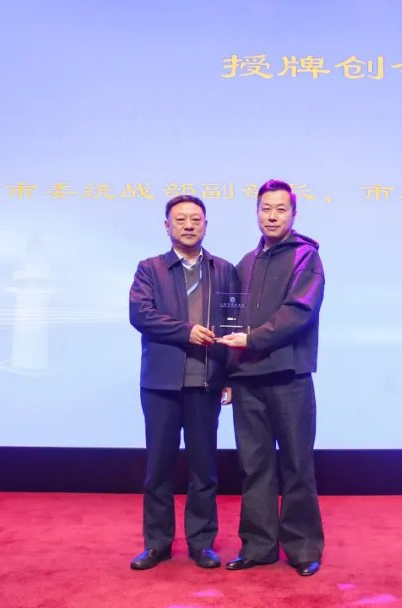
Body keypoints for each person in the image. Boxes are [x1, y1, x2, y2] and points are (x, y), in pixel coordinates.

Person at [216, 179, 325, 577]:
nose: (273, 216)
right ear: (257, 212)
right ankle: (259, 546)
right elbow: (230, 320)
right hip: (247, 378)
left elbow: (298, 313)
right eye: (266, 209)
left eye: (281, 209)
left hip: (289, 377)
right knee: (254, 466)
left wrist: (252, 339)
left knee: (297, 465)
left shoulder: (306, 257)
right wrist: (228, 372)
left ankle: (302, 548)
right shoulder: (245, 263)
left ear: (294, 214)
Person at [128, 194, 239, 571]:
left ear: (206, 225)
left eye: (195, 219)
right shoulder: (150, 269)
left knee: (204, 468)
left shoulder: (224, 270)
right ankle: (157, 544)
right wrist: (185, 331)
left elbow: (233, 326)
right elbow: (141, 315)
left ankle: (202, 542)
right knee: (158, 468)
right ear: (167, 227)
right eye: (180, 219)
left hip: (206, 381)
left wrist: (230, 375)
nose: (189, 225)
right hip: (161, 383)